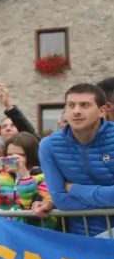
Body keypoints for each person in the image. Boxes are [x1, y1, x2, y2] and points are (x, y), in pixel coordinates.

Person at [39, 83, 114, 236]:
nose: (76, 111)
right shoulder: (49, 145)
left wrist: (73, 189)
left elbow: (65, 195)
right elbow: (60, 200)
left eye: (84, 105)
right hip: (79, 242)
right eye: (71, 105)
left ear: (102, 110)